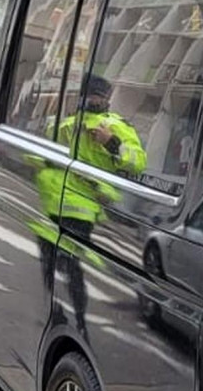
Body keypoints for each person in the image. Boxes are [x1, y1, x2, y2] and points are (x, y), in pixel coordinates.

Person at [33, 74, 147, 338]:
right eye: (90, 95)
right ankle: (55, 310)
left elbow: (137, 162)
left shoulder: (116, 126)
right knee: (48, 263)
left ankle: (80, 320)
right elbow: (36, 154)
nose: (94, 100)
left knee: (73, 267)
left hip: (82, 209)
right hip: (49, 204)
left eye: (99, 95)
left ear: (107, 99)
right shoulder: (63, 124)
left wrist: (110, 142)